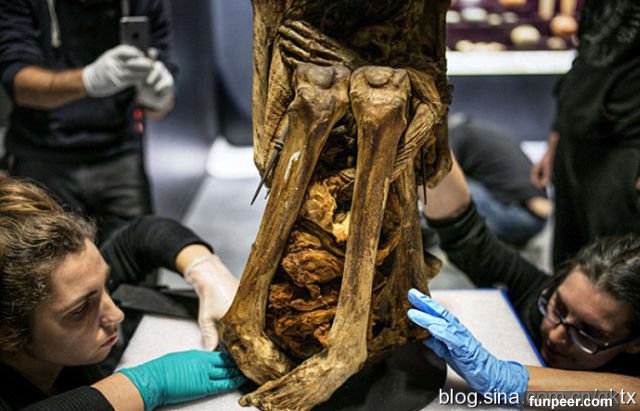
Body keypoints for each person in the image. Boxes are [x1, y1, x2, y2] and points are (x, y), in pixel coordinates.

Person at [410, 155, 640, 407]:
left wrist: (510, 382)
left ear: (633, 344)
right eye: (558, 307)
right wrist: (432, 150)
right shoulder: (540, 294)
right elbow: (466, 237)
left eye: (587, 332)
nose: (555, 335)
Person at [0, 178, 243, 410]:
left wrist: (205, 268)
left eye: (105, 284)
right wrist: (146, 385)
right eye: (80, 310)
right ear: (8, 335)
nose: (116, 315)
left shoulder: (72, 281)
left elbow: (141, 236)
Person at [0, 0, 177, 243]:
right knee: (43, 259)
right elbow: (18, 84)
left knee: (137, 253)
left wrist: (158, 96)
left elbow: (161, 105)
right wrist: (88, 80)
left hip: (119, 152)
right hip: (43, 152)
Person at [530, 1, 640, 267]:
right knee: (569, 263)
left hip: (623, 145)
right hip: (576, 139)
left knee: (615, 269)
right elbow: (586, 59)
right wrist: (556, 140)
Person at [449, 113, 551, 247]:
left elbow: (441, 175)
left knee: (449, 182)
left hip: (516, 217)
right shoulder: (482, 130)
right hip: (539, 220)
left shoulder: (455, 134)